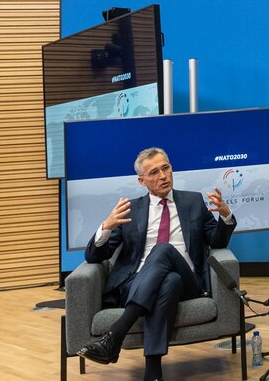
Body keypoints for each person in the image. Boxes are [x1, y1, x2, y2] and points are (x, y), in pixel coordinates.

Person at [76, 147, 237, 381]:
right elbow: (93, 257)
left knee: (163, 249)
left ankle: (115, 334)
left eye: (166, 168)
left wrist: (225, 216)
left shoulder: (192, 201)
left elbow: (217, 241)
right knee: (169, 281)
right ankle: (153, 373)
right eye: (154, 172)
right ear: (142, 181)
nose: (163, 176)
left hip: (190, 281)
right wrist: (106, 226)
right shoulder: (130, 209)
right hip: (137, 284)